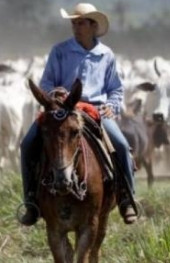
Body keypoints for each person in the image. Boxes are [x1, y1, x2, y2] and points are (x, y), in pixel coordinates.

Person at [19, 3, 137, 226]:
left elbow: (115, 88)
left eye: (80, 22)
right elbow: (46, 83)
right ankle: (31, 202)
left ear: (93, 26)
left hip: (96, 111)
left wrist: (112, 105)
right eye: (74, 23)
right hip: (62, 111)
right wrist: (56, 93)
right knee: (27, 145)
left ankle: (126, 199)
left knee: (121, 146)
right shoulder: (59, 51)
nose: (76, 27)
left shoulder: (106, 55)